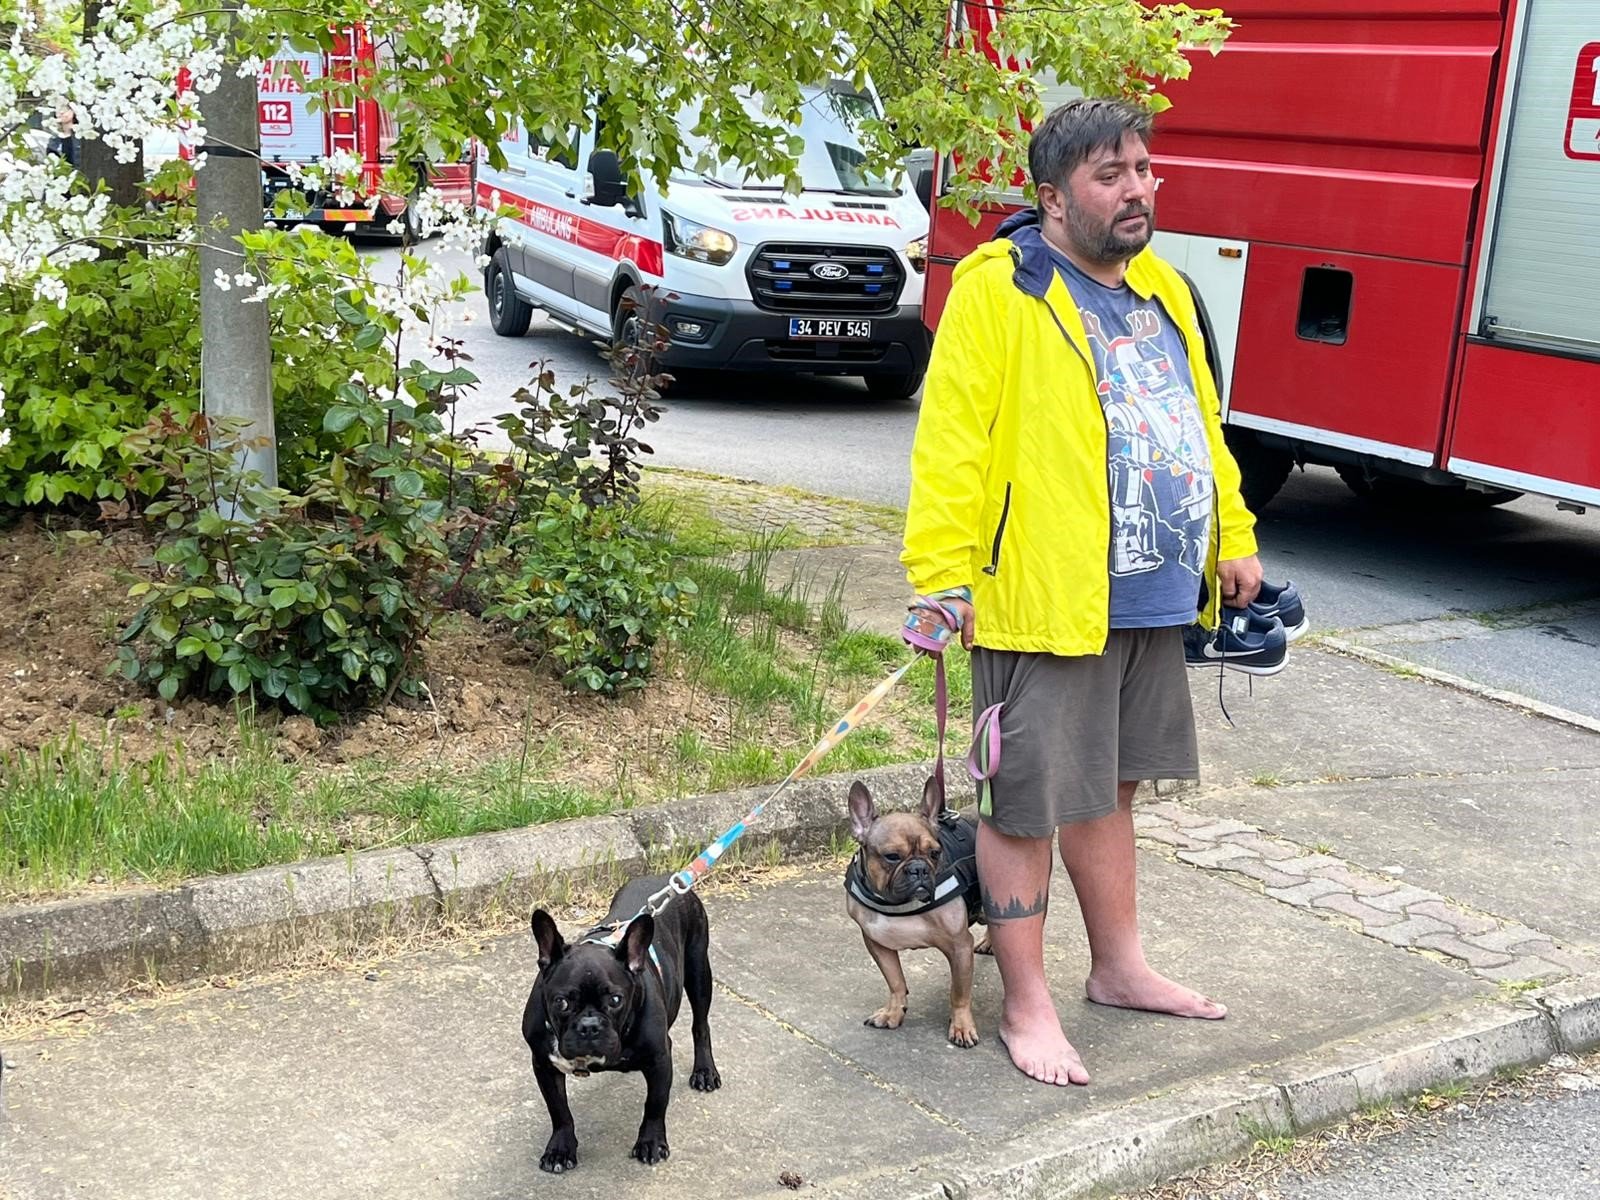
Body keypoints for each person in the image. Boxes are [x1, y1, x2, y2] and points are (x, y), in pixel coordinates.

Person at [900, 98, 1264, 1086]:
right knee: (1024, 807)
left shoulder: (1163, 288)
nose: (1137, 189)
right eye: (1111, 175)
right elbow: (951, 441)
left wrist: (1233, 537)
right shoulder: (999, 287)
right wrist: (939, 578)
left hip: (1152, 595)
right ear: (1053, 197)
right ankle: (1026, 1003)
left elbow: (1197, 425)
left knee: (1112, 790)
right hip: (1041, 599)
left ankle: (1119, 968)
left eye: (1143, 169)